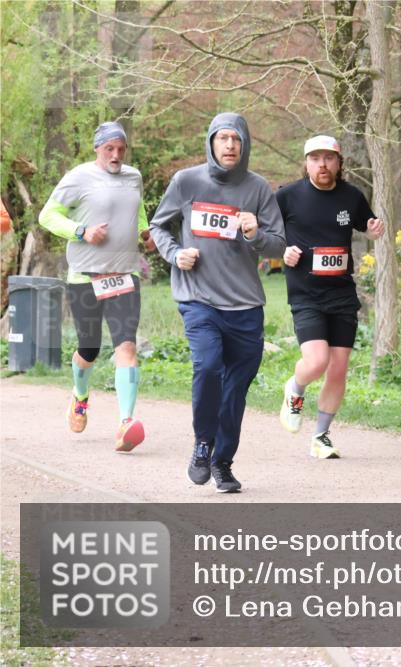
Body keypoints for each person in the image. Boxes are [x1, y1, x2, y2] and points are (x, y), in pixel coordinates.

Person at [149, 112, 285, 493]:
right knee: (207, 366)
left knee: (235, 389)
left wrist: (256, 233)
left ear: (244, 145)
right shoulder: (187, 181)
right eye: (222, 138)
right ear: (211, 142)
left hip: (244, 305)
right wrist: (175, 253)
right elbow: (158, 226)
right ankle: (203, 444)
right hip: (198, 298)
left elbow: (279, 244)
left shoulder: (258, 189)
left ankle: (223, 463)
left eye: (236, 140)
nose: (229, 146)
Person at [39, 121, 155, 452]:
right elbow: (48, 216)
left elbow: (138, 207)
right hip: (86, 276)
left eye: (121, 149)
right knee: (89, 349)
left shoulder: (134, 176)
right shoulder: (78, 177)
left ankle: (125, 423)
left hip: (125, 274)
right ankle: (80, 394)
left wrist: (145, 232)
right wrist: (81, 231)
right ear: (97, 149)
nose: (116, 155)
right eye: (109, 149)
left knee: (126, 347)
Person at [276, 135, 384, 458]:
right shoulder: (287, 197)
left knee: (338, 368)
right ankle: (294, 389)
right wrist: (282, 252)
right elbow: (265, 234)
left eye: (328, 158)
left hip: (341, 294)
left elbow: (368, 223)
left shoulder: (351, 196)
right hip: (306, 293)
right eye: (315, 158)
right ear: (306, 163)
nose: (322, 165)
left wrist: (374, 230)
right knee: (317, 361)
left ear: (339, 163)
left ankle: (321, 436)